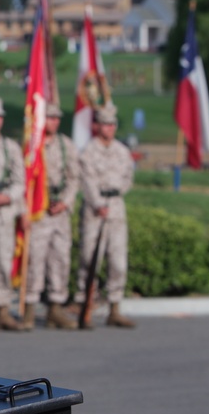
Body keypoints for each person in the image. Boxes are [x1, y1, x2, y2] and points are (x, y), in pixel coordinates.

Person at [74, 103, 136, 328]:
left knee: (118, 260)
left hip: (116, 207)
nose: (108, 128)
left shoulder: (122, 151)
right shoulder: (89, 151)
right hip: (95, 209)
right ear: (97, 126)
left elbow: (129, 177)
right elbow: (86, 180)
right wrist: (98, 203)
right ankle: (86, 304)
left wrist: (116, 194)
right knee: (90, 259)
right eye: (104, 124)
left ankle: (115, 307)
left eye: (111, 124)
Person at [24, 103, 79, 330]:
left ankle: (55, 308)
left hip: (59, 211)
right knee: (35, 260)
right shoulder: (32, 145)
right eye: (50, 118)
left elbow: (74, 177)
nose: (54, 122)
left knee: (60, 259)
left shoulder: (66, 145)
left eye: (57, 118)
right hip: (39, 211)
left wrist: (65, 201)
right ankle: (29, 308)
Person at [0, 97, 27, 331]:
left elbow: (21, 181)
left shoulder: (11, 148)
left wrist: (8, 196)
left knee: (3, 261)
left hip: (5, 211)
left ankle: (2, 309)